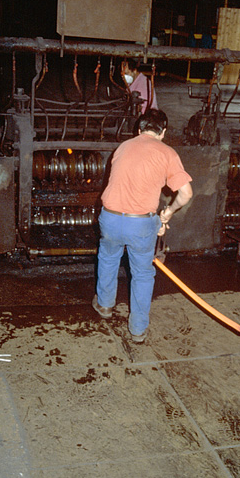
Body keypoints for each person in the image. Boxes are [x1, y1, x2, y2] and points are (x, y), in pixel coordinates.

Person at [92, 109, 193, 343]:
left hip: (109, 218)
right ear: (163, 132)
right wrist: (166, 213)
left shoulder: (123, 147)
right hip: (139, 224)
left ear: (139, 129)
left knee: (108, 258)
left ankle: (105, 305)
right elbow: (186, 194)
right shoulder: (167, 152)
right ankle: (137, 329)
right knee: (142, 274)